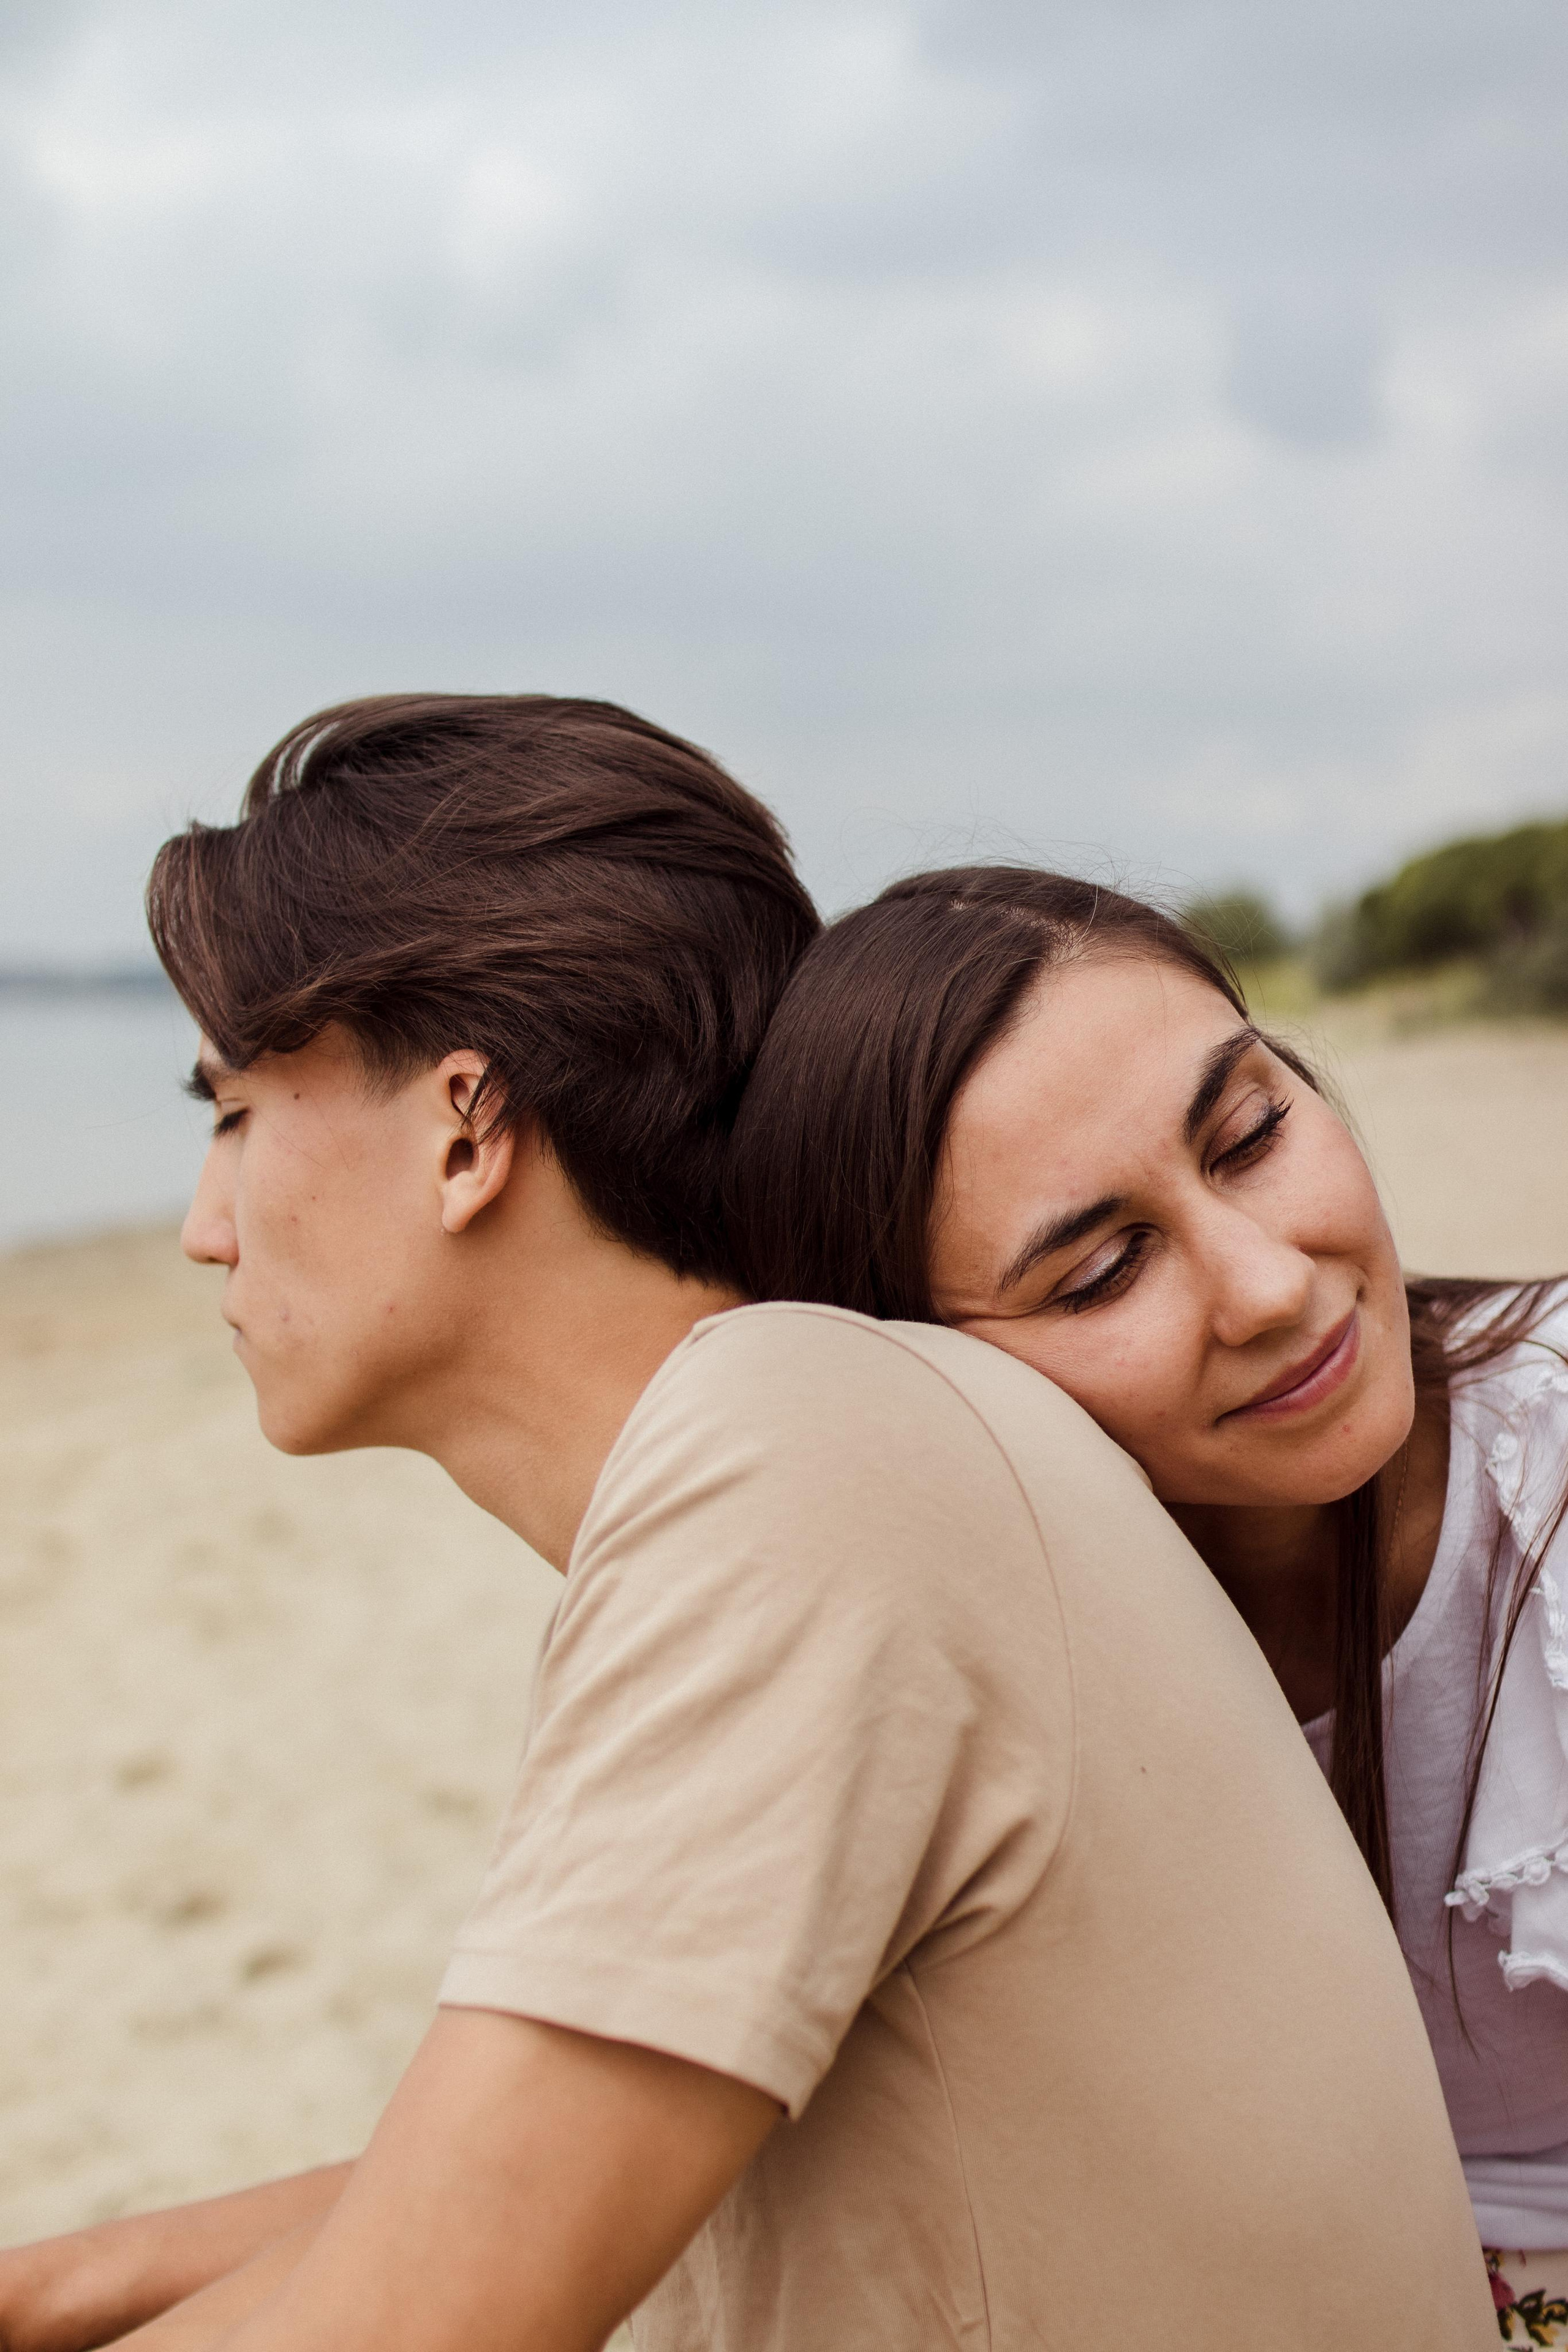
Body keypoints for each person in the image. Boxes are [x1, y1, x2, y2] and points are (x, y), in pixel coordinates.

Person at [0, 707, 1493, 2352]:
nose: (206, 1231)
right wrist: (62, 2285)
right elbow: (487, 2186)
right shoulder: (857, 1435)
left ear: (465, 1125)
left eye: (233, 1117)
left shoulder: (795, 1449)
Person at [723, 860, 1568, 2342]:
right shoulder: (946, 1650)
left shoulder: (1543, 1477)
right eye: (1104, 1269)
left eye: (1249, 1134)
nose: (1263, 1285)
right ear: (933, 1372)